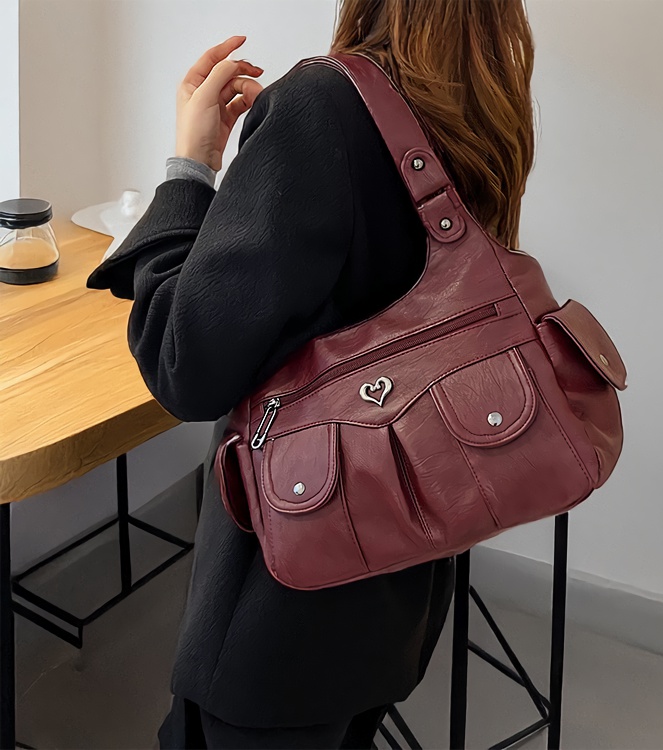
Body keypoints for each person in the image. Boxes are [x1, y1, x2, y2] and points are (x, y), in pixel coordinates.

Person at [86, 1, 535, 747]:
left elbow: (183, 364)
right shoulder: (481, 102)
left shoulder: (323, 106)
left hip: (283, 606)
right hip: (398, 581)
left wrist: (190, 169)